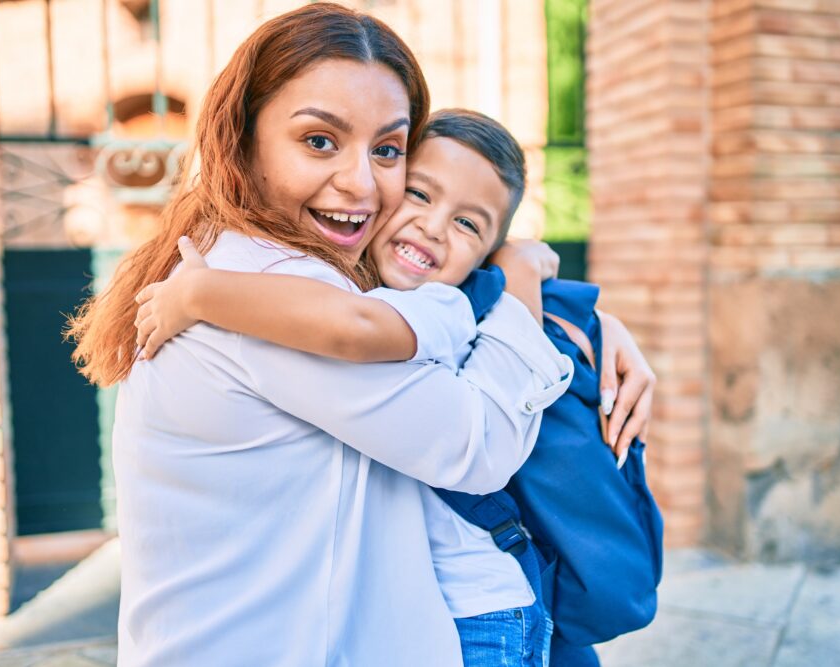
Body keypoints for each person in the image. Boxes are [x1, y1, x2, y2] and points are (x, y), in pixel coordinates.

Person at [68, 6, 577, 666]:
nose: (362, 183)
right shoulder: (271, 292)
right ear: (243, 139)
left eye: (388, 150)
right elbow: (476, 441)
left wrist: (586, 320)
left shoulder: (238, 266)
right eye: (319, 141)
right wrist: (519, 280)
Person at [133, 109, 656, 666]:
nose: (433, 227)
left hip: (479, 613)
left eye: (468, 225)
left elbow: (353, 327)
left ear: (486, 258)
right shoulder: (387, 294)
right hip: (442, 610)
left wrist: (197, 295)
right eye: (419, 195)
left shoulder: (442, 306)